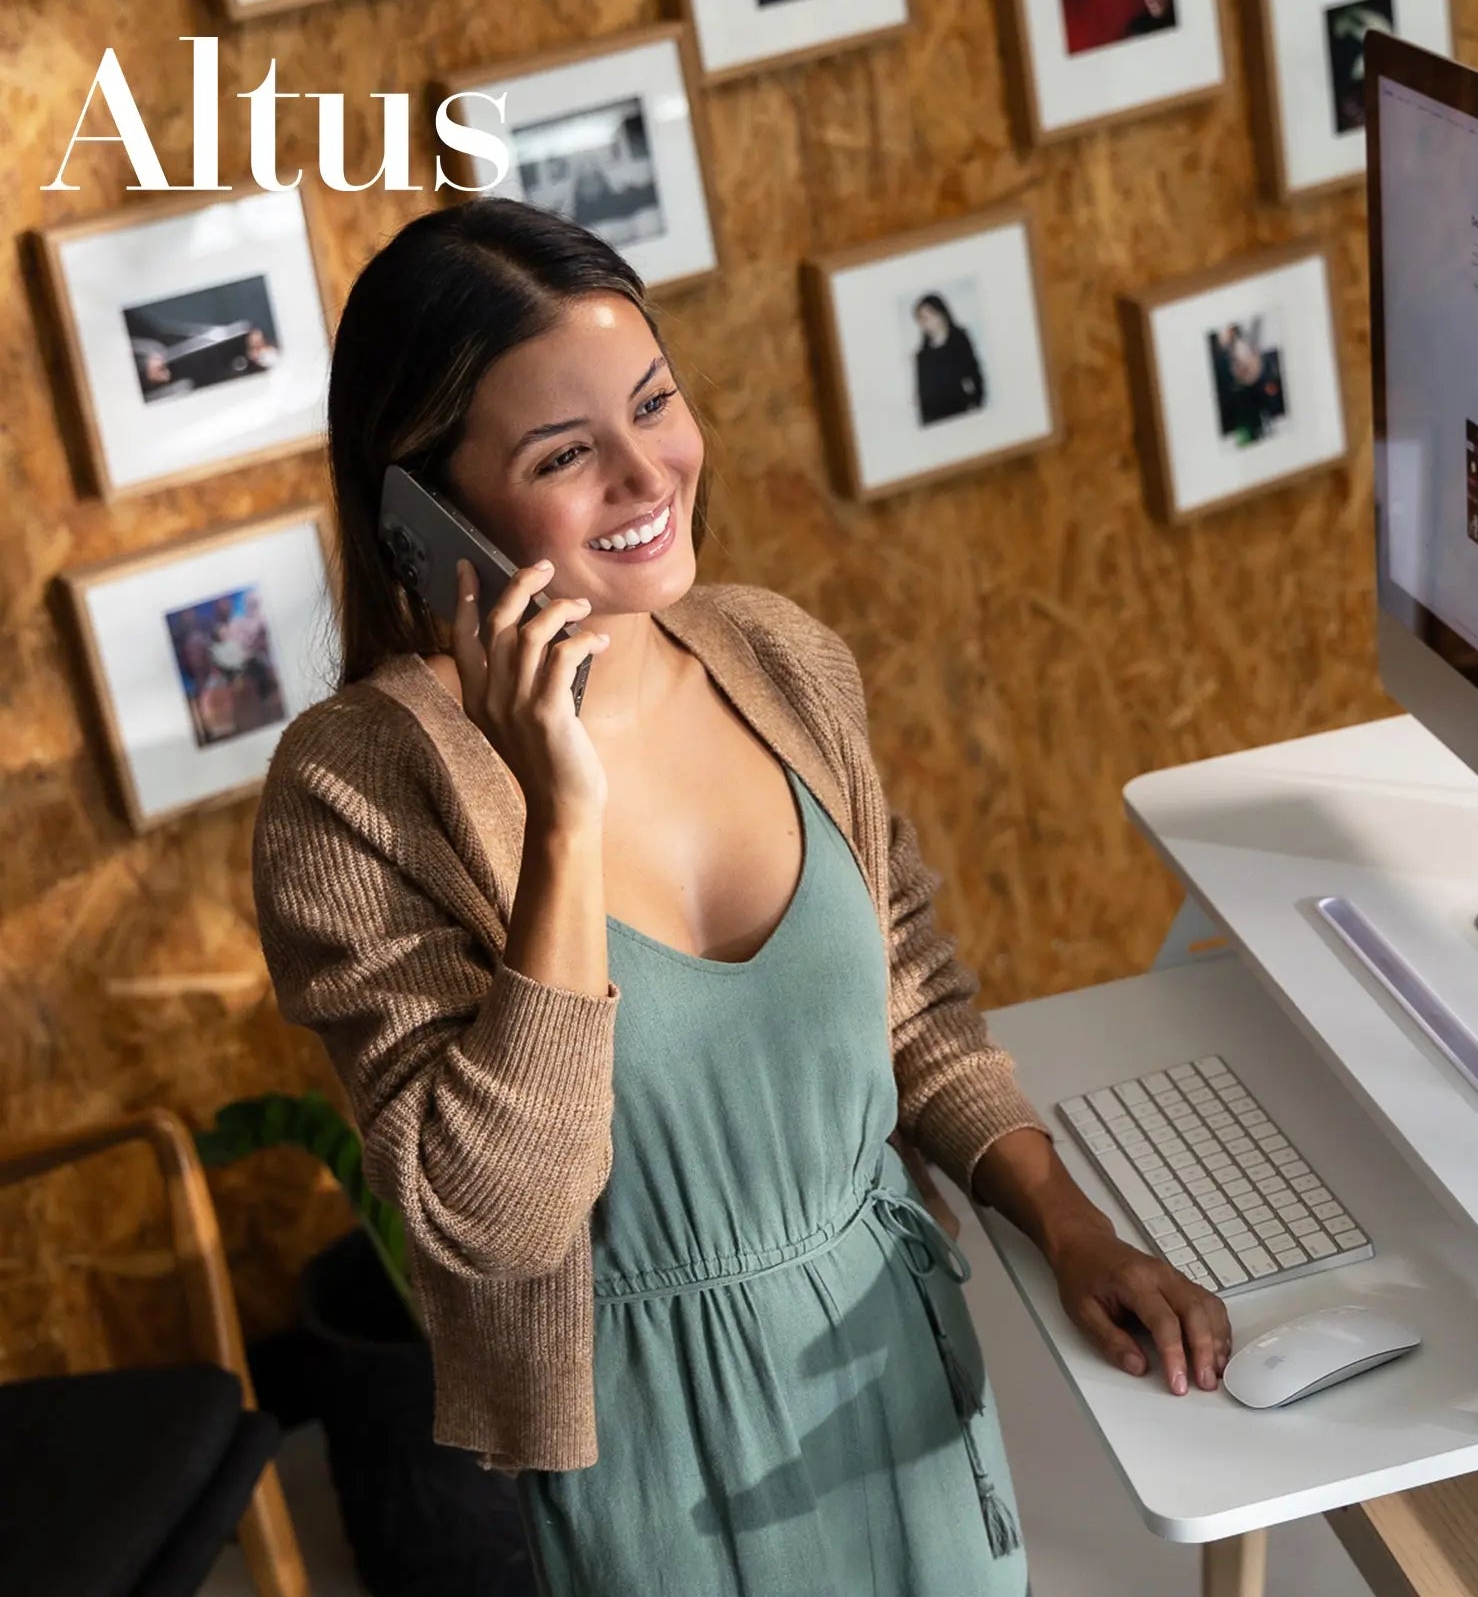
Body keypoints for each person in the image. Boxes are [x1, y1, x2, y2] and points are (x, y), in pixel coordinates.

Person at [250, 196, 1232, 1596]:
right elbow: (492, 1223)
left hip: (893, 1382)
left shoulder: (781, 660)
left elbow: (914, 1008)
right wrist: (562, 812)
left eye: (657, 404)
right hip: (649, 1463)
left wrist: (1070, 1227)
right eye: (566, 454)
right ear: (427, 513)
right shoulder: (354, 792)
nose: (649, 476)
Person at [913, 294, 986, 426]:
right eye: (921, 319)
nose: (924, 322)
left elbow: (975, 373)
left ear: (941, 313)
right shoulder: (922, 355)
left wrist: (976, 403)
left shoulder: (960, 338)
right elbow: (923, 396)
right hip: (936, 419)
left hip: (964, 410)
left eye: (927, 316)